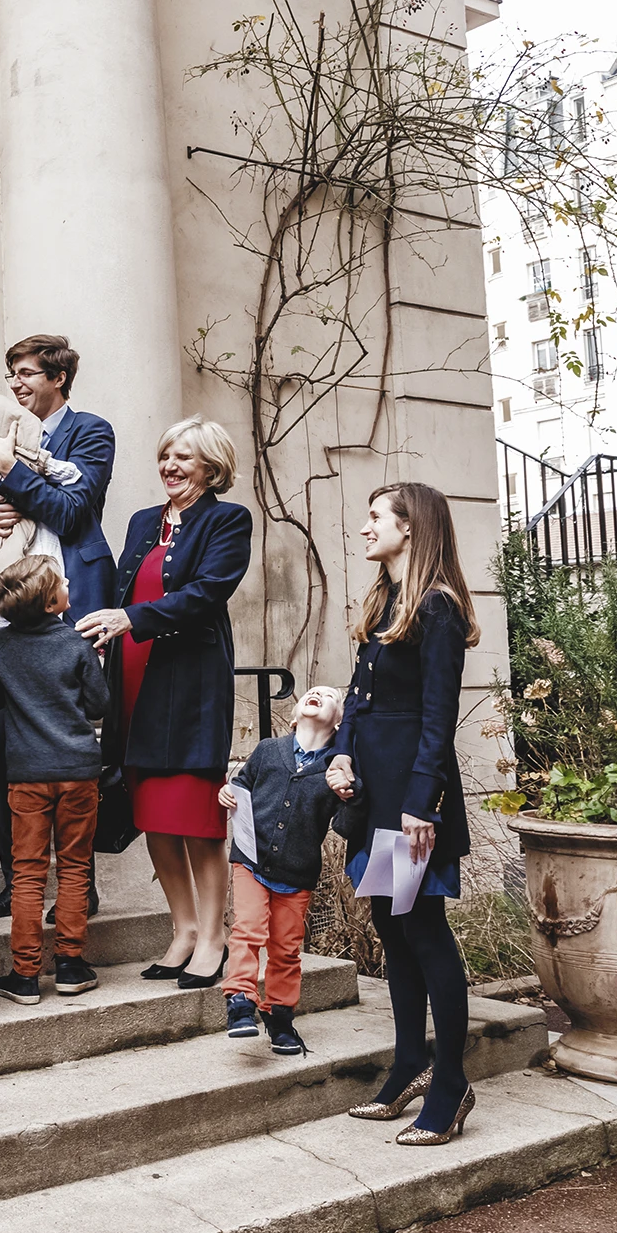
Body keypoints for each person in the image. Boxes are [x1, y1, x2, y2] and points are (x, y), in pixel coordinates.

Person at [327, 483, 480, 1145]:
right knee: (393, 928)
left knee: (423, 930)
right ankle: (410, 1062)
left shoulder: (437, 609)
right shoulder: (388, 601)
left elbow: (437, 717)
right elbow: (360, 703)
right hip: (377, 795)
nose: (364, 529)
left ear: (409, 529)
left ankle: (450, 1083)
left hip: (412, 804)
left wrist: (423, 806)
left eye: (375, 518)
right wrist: (338, 758)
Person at [79, 416, 251, 991]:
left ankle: (213, 937)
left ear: (211, 465)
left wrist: (130, 619)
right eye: (166, 455)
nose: (171, 466)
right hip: (134, 679)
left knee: (196, 819)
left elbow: (205, 594)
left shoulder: (227, 519)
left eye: (185, 457)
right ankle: (181, 932)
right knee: (152, 812)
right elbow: (122, 590)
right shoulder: (141, 522)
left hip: (190, 683)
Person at [0, 335, 115, 920]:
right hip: (5, 617)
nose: (15, 385)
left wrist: (11, 469)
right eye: (11, 375)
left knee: (79, 747)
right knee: (2, 747)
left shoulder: (91, 432)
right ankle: (16, 879)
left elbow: (73, 511)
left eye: (27, 374)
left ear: (58, 378)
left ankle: (81, 886)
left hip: (71, 605)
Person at [0, 557, 110, 1005]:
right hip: (78, 773)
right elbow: (98, 705)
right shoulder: (76, 643)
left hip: (26, 774)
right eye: (62, 581)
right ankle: (70, 965)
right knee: (74, 866)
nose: (69, 582)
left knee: (28, 873)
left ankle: (25, 975)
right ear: (53, 602)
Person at [218, 685, 355, 1054]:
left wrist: (348, 794)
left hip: (297, 873)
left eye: (330, 697)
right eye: (313, 692)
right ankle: (240, 1001)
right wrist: (226, 793)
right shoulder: (267, 750)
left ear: (340, 721)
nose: (319, 695)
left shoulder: (336, 770)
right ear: (294, 715)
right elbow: (241, 786)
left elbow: (346, 826)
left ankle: (280, 1016)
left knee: (286, 948)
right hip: (251, 859)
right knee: (247, 929)